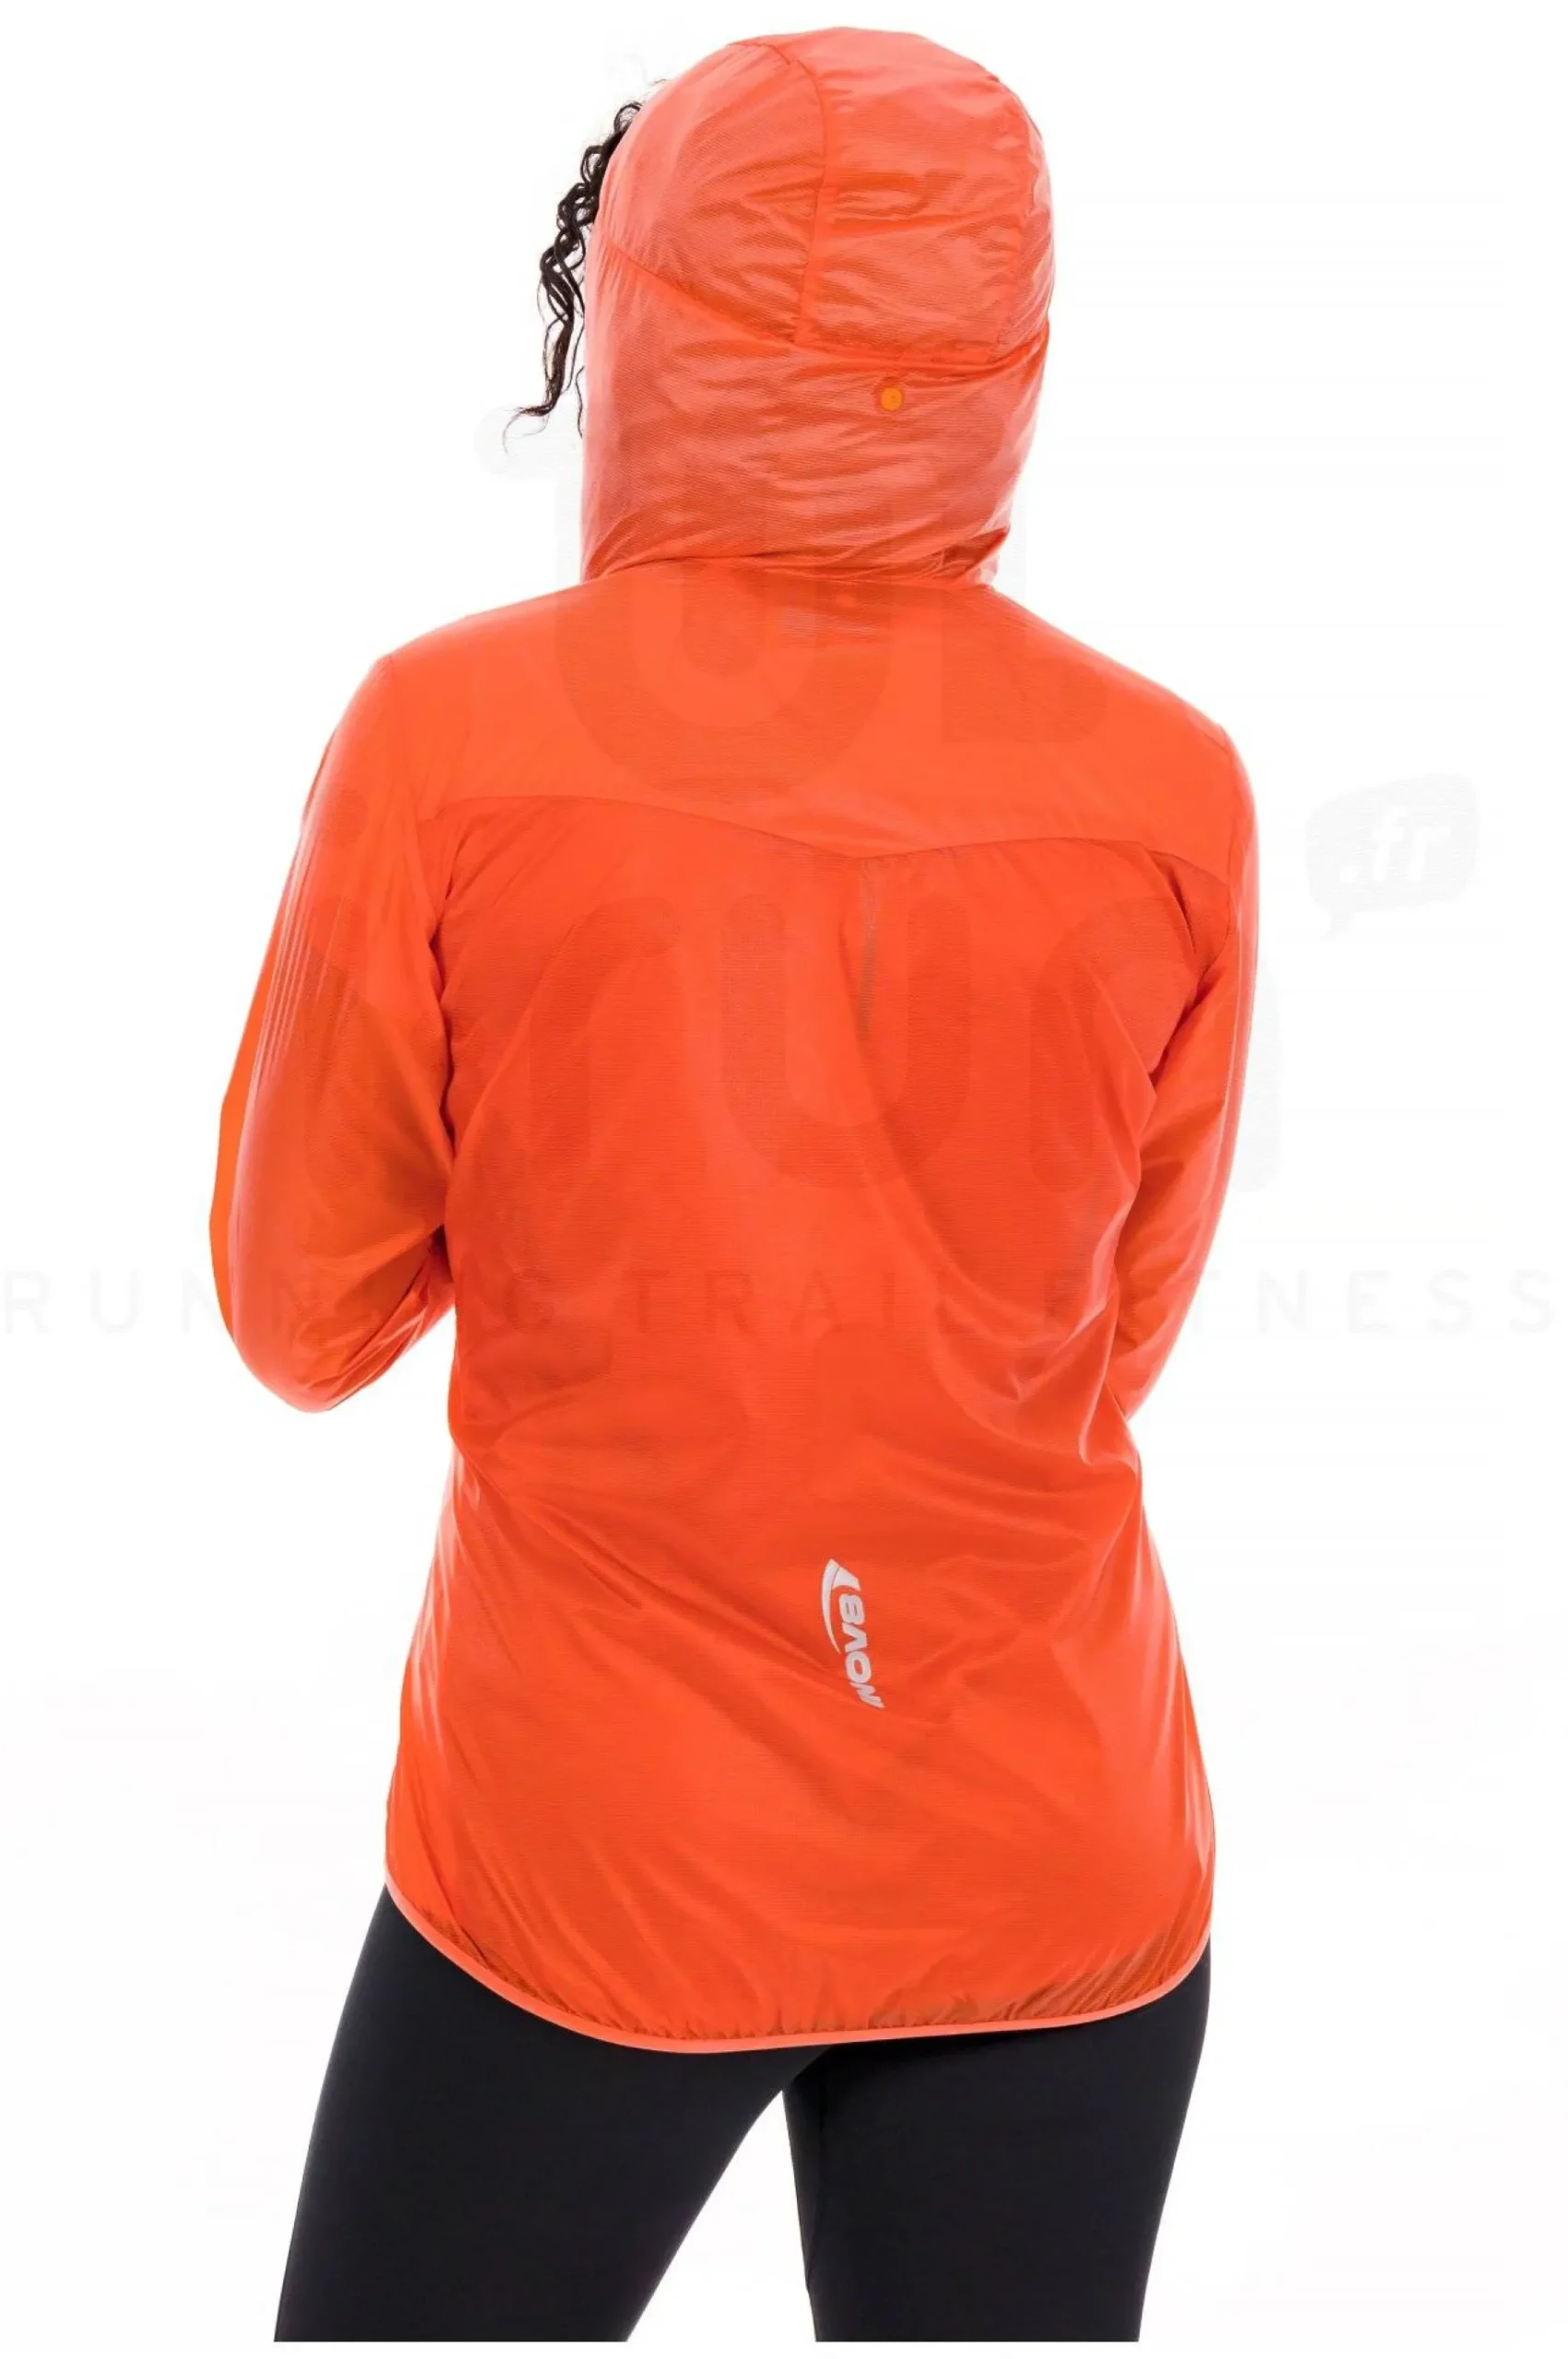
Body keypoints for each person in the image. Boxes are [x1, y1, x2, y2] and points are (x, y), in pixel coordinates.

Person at [210, 25, 1257, 2342]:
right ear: (1004, 342)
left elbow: (298, 1312)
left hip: (601, 1850)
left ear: (638, 312)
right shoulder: (1171, 782)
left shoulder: (446, 736)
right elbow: (1105, 1336)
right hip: (1052, 1840)